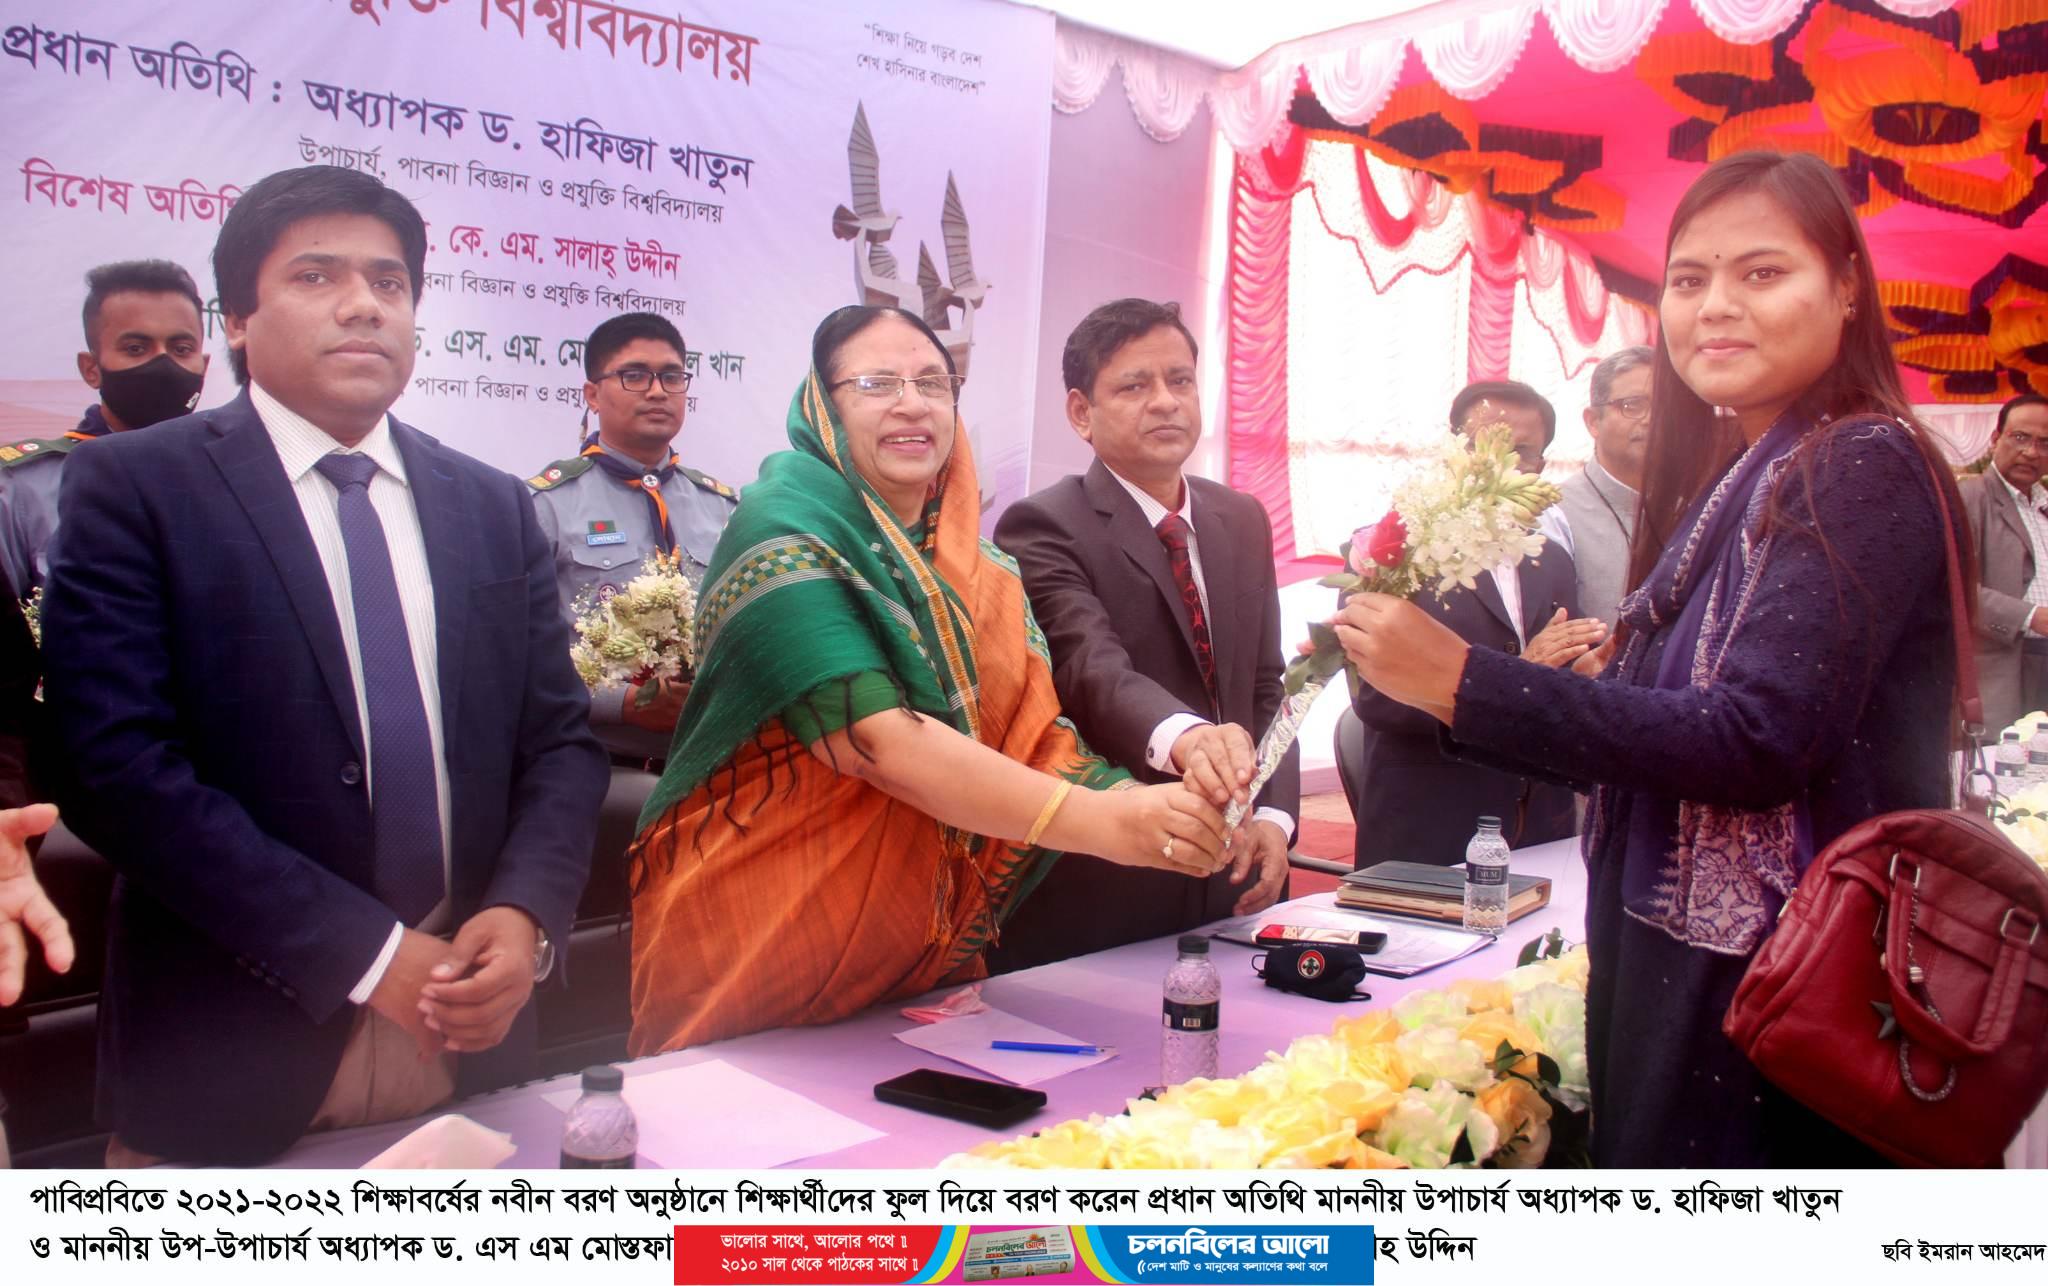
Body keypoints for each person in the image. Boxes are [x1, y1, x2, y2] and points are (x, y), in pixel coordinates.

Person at [1329, 150, 1965, 1166]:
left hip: (1775, 1000)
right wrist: (1507, 690)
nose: (1716, 306)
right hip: (1709, 976)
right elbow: (1691, 719)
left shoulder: (1855, 460)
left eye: (1762, 272)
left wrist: (1466, 682)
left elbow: (1756, 736)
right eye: (1688, 279)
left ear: (1847, 287)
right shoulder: (1754, 468)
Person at [40, 165, 608, 1166]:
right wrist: (368, 954)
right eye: (316, 276)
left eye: (390, 282)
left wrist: (525, 913)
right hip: (230, 1049)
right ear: (237, 319)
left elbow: (558, 741)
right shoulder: (137, 485)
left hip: (469, 1036)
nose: (363, 305)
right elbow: (112, 765)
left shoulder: (490, 503)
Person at [628, 305, 1231, 1054]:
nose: (911, 404)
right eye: (877, 384)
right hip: (762, 934)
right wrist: (1109, 824)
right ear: (822, 405)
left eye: (932, 384)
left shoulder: (983, 572)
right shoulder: (782, 533)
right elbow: (878, 744)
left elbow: (1036, 743)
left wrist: (1153, 809)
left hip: (924, 956)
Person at [989, 298, 1293, 970]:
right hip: (1110, 883)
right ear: (1081, 413)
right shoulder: (1044, 525)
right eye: (1134, 386)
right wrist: (1190, 740)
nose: (1165, 401)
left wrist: (1274, 817)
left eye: (1180, 380)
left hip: (1235, 876)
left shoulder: (1242, 517)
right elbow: (1090, 669)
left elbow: (1266, 683)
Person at [1346, 381, 1587, 869]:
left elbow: (1561, 687)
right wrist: (1518, 675)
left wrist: (1585, 677)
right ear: (1453, 453)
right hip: (1430, 830)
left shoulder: (1553, 559)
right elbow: (1374, 697)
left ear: (1540, 466)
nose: (1499, 464)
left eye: (1521, 451)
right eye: (1484, 446)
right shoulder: (1394, 549)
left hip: (1539, 825)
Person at [528, 312, 739, 765]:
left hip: (711, 767)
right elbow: (518, 653)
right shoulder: (546, 507)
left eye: (672, 377)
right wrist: (624, 703)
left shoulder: (722, 508)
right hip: (599, 767)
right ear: (592, 395)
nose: (658, 391)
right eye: (635, 375)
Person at [0, 259, 210, 595]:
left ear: (204, 364)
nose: (162, 363)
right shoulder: (22, 487)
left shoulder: (237, 477)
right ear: (91, 368)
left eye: (181, 349)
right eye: (136, 348)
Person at [1538, 346, 1653, 626]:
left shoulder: (1700, 507)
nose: (1652, 419)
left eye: (1666, 407)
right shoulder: (1552, 514)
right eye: (1633, 405)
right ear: (1593, 422)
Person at [1958, 393, 2048, 733]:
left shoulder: (2043, 505)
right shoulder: (1970, 498)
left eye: (2045, 443)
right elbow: (1952, 588)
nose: (2031, 452)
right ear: (1995, 439)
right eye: (2020, 437)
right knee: (2006, 759)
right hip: (2004, 664)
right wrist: (2031, 616)